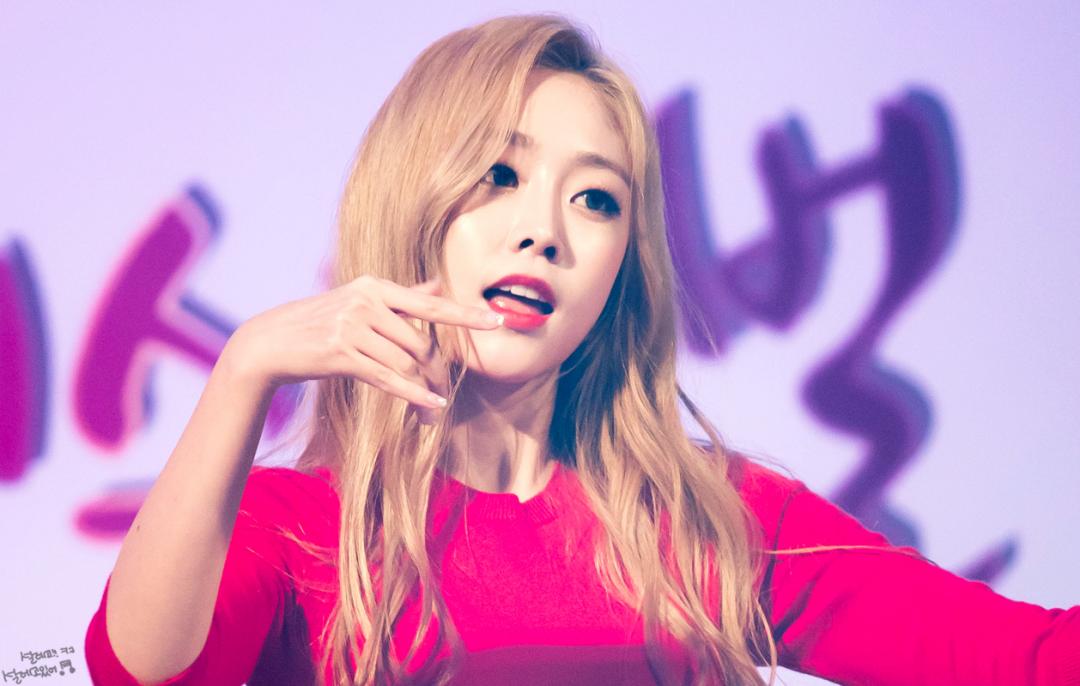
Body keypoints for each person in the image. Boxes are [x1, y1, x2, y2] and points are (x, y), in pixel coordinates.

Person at [85, 13, 1079, 686]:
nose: (545, 231)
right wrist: (244, 368)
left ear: (620, 266)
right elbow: (138, 673)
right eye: (500, 175)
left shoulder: (710, 519)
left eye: (596, 197)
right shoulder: (303, 530)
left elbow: (1033, 660)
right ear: (412, 202)